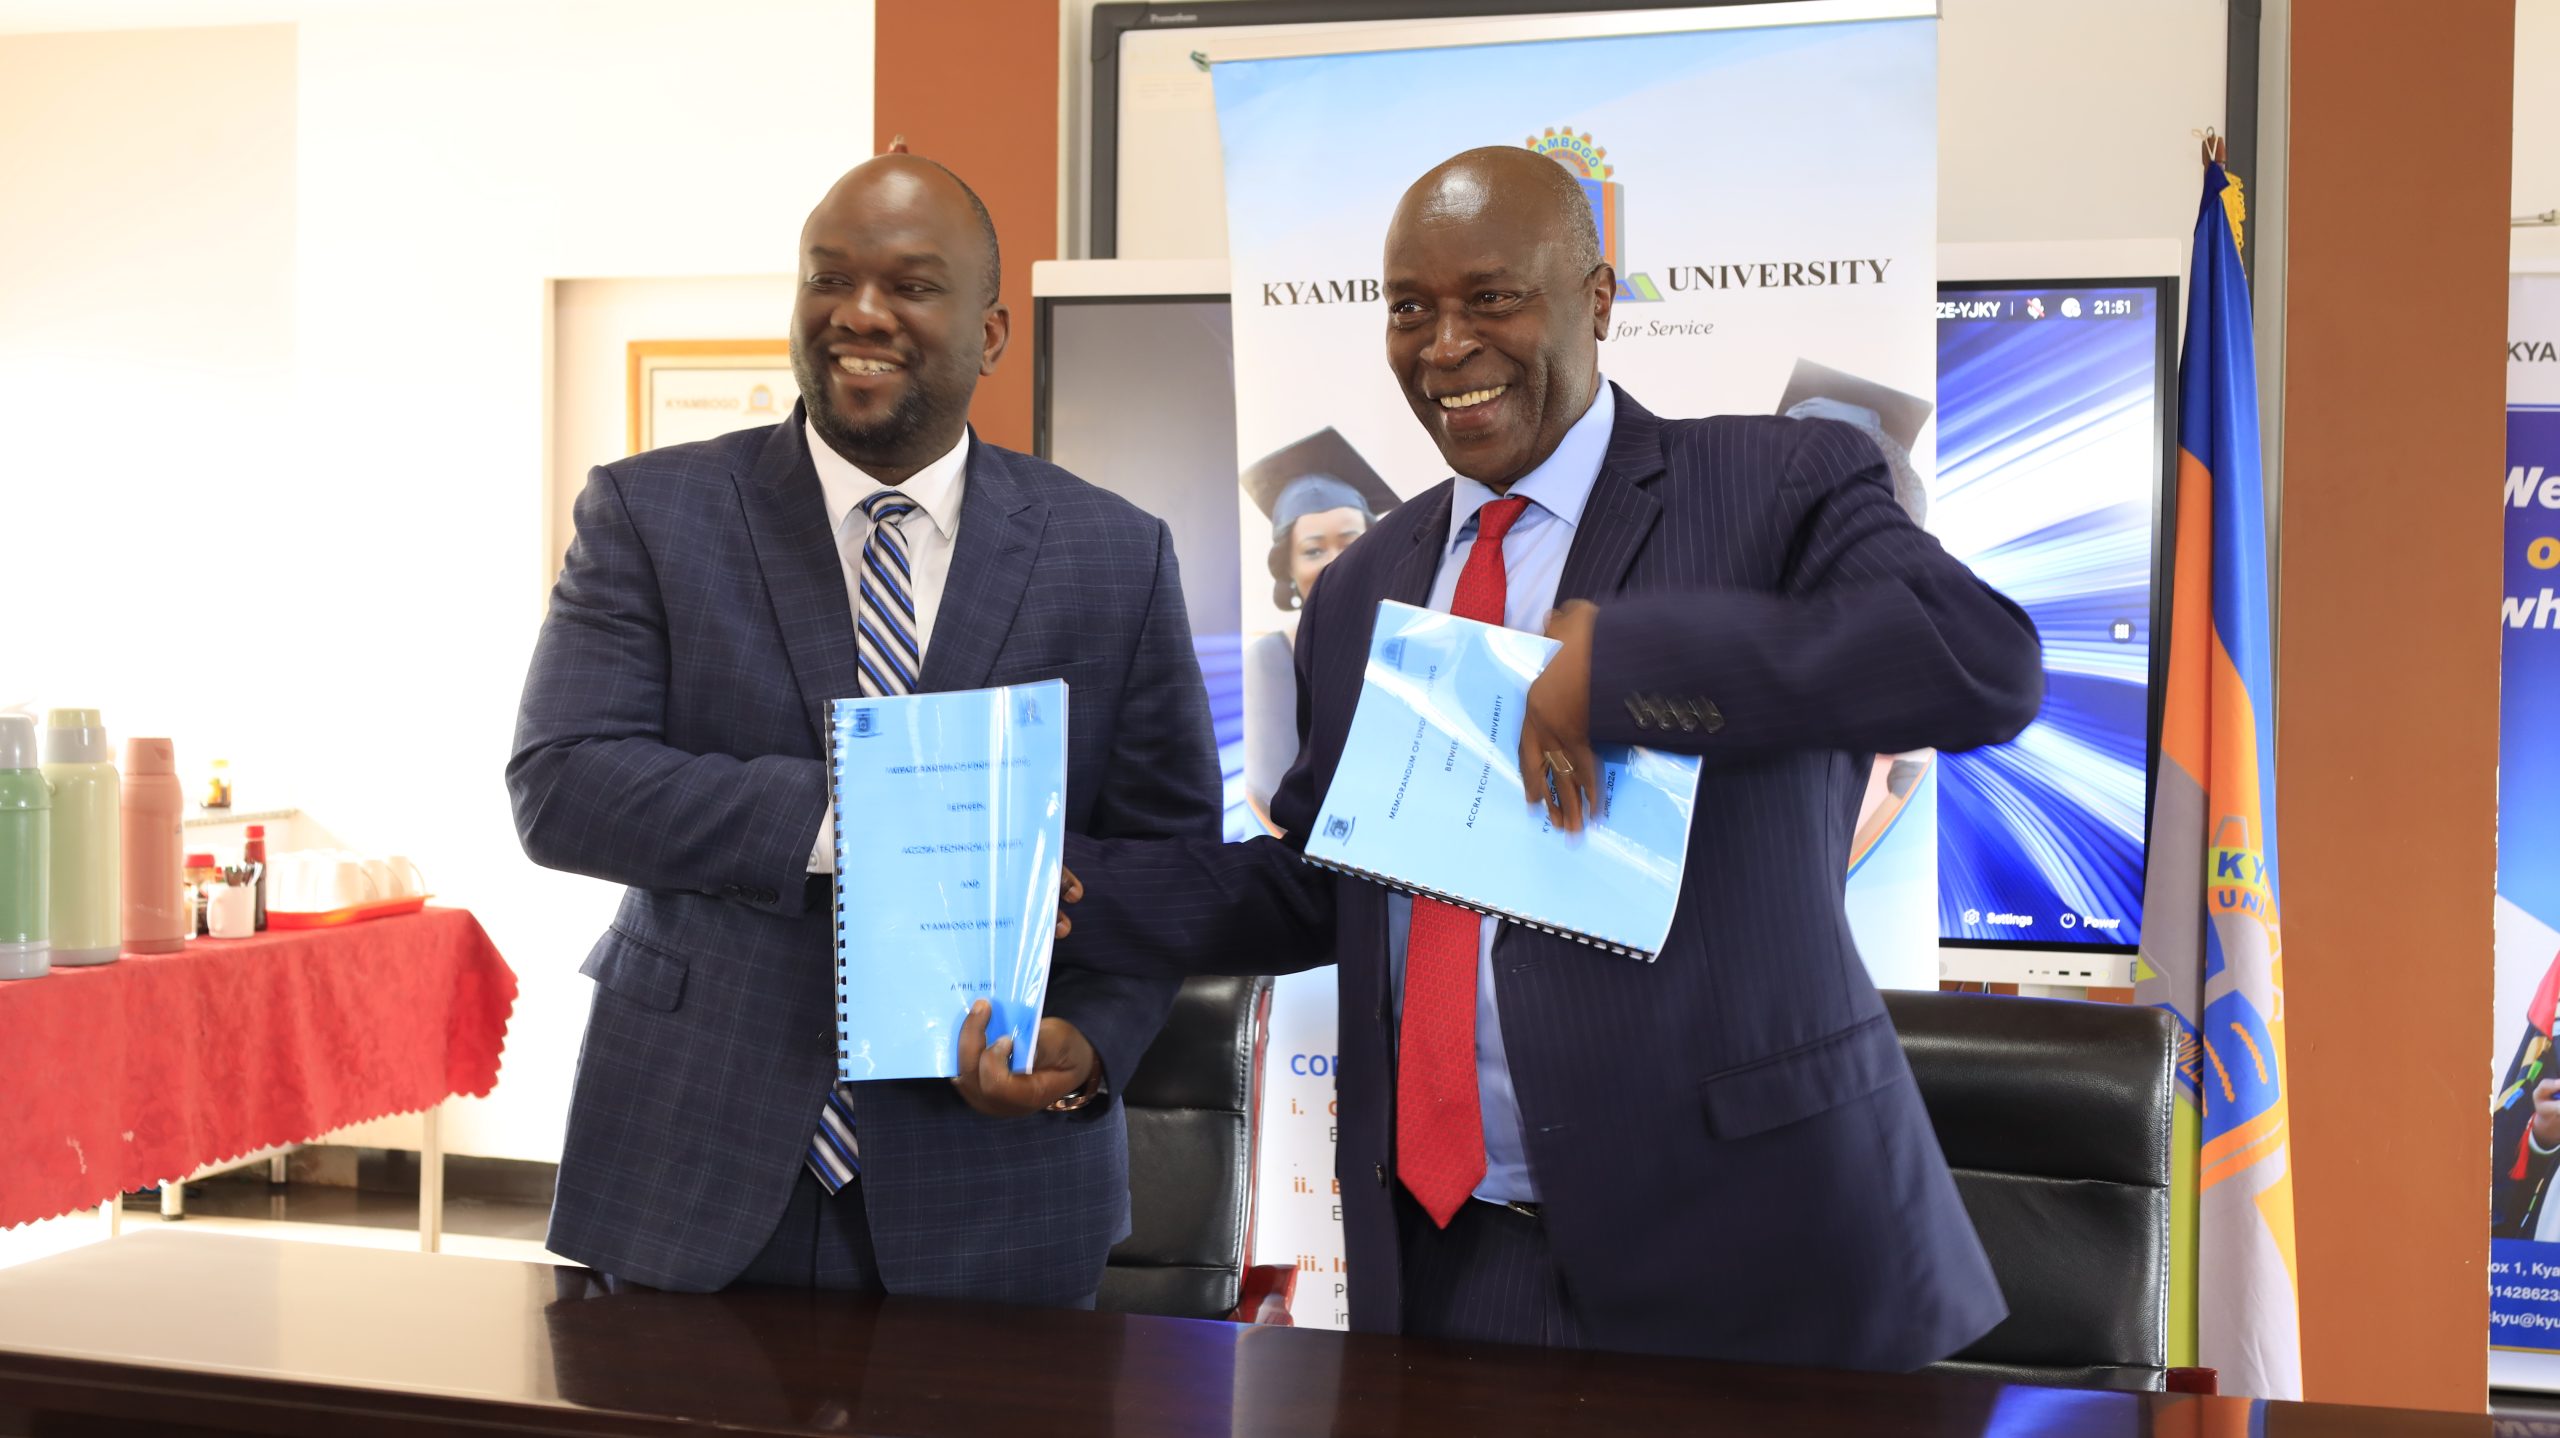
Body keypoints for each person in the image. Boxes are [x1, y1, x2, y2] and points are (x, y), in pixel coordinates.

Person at [1056, 145, 2043, 1369]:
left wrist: (1638, 670)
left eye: (1491, 297)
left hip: (1754, 1260)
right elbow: (1324, 878)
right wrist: (1074, 892)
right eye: (1409, 308)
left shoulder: (1775, 480)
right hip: (1452, 1259)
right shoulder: (1363, 584)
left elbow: (1981, 663)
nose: (1443, 343)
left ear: (1596, 299)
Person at [507, 151, 1220, 1302]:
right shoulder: (652, 511)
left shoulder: (1114, 552)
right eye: (826, 278)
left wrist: (1088, 1047)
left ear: (990, 332)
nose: (859, 313)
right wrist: (860, 822)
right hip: (692, 1163)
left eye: (910, 284)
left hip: (997, 1180)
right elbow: (562, 785)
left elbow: (1165, 860)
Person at [1240, 428, 1398, 830]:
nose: (1336, 562)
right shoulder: (1269, 660)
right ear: (1287, 569)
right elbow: (1269, 794)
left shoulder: (1406, 641)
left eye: (1351, 542)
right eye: (1313, 550)